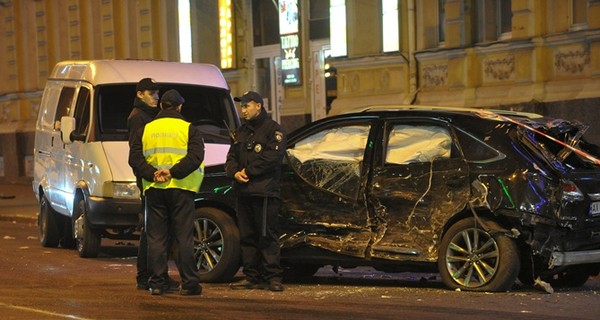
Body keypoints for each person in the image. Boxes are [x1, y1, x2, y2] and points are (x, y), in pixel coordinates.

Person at [128, 89, 204, 296]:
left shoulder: (146, 129)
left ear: (161, 106)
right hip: (181, 188)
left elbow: (135, 158)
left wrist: (153, 174)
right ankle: (189, 284)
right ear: (180, 107)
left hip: (155, 189)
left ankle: (157, 283)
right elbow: (195, 157)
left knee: (156, 238)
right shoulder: (189, 129)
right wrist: (172, 173)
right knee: (183, 238)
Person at [225, 91, 287, 292]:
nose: (243, 110)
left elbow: (272, 158)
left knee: (267, 236)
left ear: (258, 106)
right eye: (241, 106)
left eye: (246, 106)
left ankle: (273, 277)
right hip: (244, 192)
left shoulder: (273, 129)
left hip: (265, 192)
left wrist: (247, 171)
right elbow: (231, 157)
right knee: (248, 236)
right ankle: (252, 276)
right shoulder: (241, 132)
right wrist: (234, 172)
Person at [127, 78, 179, 292]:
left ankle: (150, 276)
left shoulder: (147, 115)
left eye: (158, 93)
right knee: (152, 232)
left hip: (154, 180)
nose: (156, 97)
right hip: (150, 181)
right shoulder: (139, 117)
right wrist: (150, 174)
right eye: (152, 93)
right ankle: (147, 276)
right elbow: (137, 154)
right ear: (140, 94)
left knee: (153, 231)